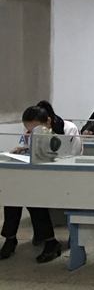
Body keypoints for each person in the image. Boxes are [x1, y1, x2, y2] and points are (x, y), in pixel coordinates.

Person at [1, 101, 81, 263]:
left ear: (48, 121)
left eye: (34, 129)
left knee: (33, 196)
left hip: (63, 177)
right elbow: (33, 152)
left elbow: (74, 155)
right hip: (40, 176)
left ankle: (49, 241)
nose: (31, 133)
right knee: (13, 194)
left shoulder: (68, 129)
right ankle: (10, 238)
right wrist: (24, 149)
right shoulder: (32, 133)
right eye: (29, 130)